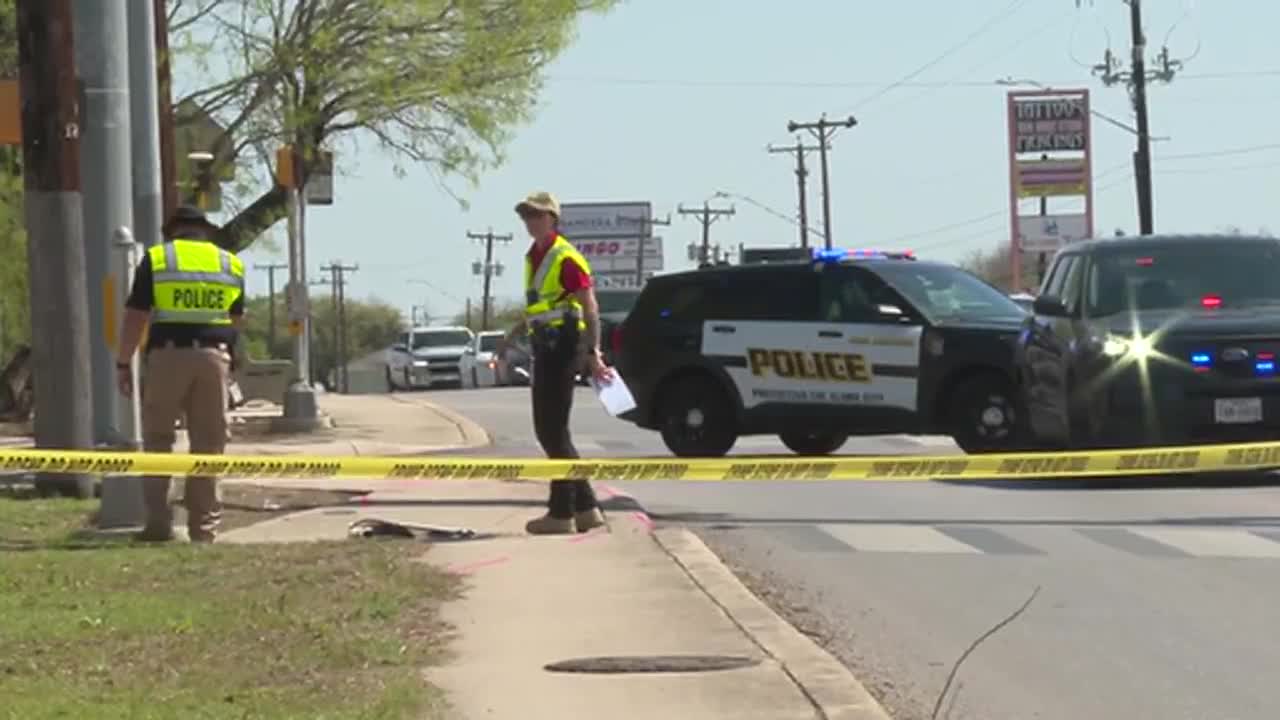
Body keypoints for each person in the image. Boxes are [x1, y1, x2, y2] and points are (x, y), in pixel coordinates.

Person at [114, 205, 246, 543]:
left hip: (168, 356)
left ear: (173, 230)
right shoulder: (229, 262)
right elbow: (236, 320)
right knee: (209, 445)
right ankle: (204, 530)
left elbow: (136, 316)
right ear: (205, 229)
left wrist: (123, 363)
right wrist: (230, 362)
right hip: (214, 357)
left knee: (158, 440)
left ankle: (158, 525)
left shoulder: (159, 259)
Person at [506, 191, 614, 535]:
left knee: (551, 431)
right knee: (554, 431)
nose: (530, 222)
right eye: (526, 216)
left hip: (564, 346)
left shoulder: (564, 257)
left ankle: (561, 512)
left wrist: (593, 352)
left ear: (553, 218)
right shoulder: (534, 257)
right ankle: (585, 508)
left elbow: (589, 306)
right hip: (545, 345)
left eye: (536, 215)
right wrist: (512, 335)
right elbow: (542, 307)